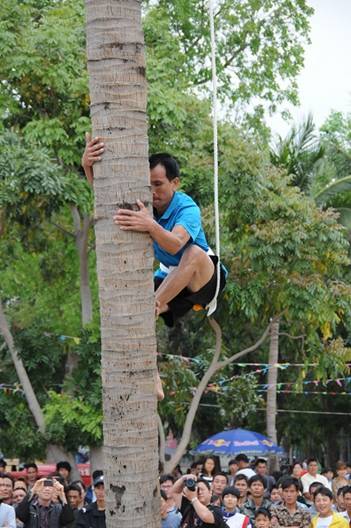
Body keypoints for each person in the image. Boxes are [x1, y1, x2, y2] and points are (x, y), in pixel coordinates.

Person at [82, 141, 226, 327]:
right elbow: (108, 197)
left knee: (194, 252)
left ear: (175, 183)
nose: (152, 191)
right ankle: (153, 309)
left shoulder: (187, 209)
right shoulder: (144, 203)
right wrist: (87, 165)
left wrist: (150, 225)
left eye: (158, 184)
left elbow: (175, 244)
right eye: (148, 185)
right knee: (132, 295)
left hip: (204, 280)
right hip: (171, 281)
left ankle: (148, 308)